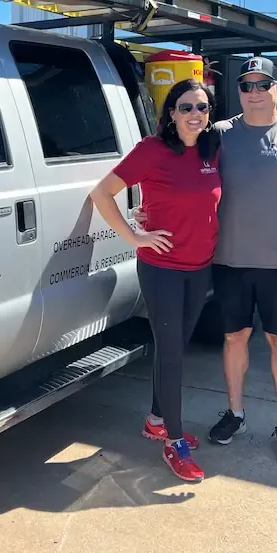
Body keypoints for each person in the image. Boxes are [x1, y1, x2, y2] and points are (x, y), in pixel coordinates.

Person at [137, 56, 277, 463]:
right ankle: (235, 414)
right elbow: (179, 175)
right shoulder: (218, 135)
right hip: (228, 262)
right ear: (238, 91)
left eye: (263, 84)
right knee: (233, 338)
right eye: (247, 85)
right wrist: (148, 213)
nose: (254, 92)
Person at [89, 79, 221, 482]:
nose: (195, 114)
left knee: (175, 346)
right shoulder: (152, 149)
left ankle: (156, 420)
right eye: (186, 107)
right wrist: (134, 235)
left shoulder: (214, 150)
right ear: (171, 113)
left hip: (200, 266)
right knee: (171, 353)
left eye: (202, 107)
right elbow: (102, 193)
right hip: (162, 267)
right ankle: (174, 442)